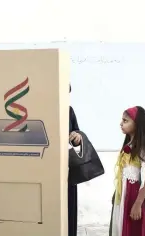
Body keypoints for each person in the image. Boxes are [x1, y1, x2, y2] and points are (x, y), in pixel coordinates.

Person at [109, 106, 145, 236]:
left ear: (137, 124)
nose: (121, 123)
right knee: (121, 226)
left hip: (135, 195)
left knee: (135, 229)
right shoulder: (128, 145)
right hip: (125, 193)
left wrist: (138, 204)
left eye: (125, 121)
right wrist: (118, 194)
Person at [69, 84, 82, 236]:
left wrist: (77, 137)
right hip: (44, 167)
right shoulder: (42, 109)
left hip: (67, 168)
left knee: (69, 208)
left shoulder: (69, 111)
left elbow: (76, 135)